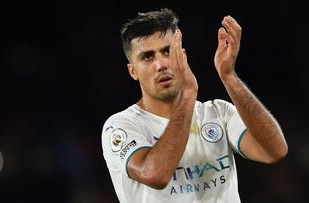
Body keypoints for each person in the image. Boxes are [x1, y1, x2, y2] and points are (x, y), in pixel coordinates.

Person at [101, 8, 288, 203]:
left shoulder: (218, 113)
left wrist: (229, 77)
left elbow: (274, 151)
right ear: (133, 71)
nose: (161, 64)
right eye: (148, 57)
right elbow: (155, 174)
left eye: (167, 51)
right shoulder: (121, 126)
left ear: (182, 55)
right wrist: (188, 95)